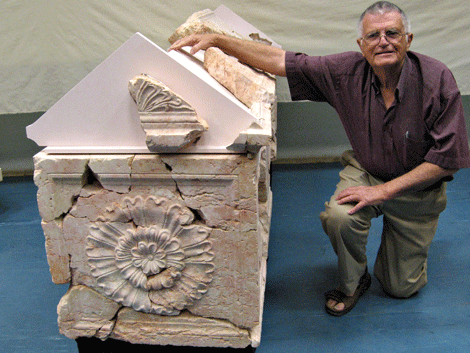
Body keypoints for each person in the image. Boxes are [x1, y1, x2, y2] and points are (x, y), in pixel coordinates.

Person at [170, 1, 470, 316]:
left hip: (417, 190)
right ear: (361, 45)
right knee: (340, 217)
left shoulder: (438, 80)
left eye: (392, 33)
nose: (383, 41)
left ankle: (402, 254)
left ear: (408, 39)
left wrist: (383, 192)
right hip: (368, 171)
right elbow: (280, 60)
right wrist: (218, 41)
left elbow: (446, 161)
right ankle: (354, 281)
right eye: (373, 36)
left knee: (400, 288)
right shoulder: (346, 71)